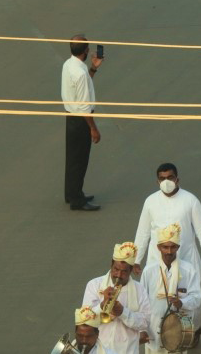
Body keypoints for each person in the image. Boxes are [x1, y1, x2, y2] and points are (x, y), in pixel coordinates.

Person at [133, 163, 201, 339]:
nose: (166, 181)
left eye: (170, 177)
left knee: (188, 295)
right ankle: (160, 332)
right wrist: (136, 259)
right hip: (157, 259)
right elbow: (143, 231)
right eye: (162, 178)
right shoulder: (150, 201)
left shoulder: (190, 200)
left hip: (185, 256)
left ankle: (191, 330)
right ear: (157, 181)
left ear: (177, 179)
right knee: (156, 298)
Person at [142, 224, 201, 354]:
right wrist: (142, 329)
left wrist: (182, 303)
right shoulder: (149, 271)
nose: (169, 251)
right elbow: (142, 302)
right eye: (165, 247)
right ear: (159, 247)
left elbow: (197, 298)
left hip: (178, 330)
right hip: (153, 328)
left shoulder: (188, 270)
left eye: (173, 247)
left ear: (178, 247)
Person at [82, 242, 149, 354]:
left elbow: (145, 322)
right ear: (111, 265)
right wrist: (102, 305)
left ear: (131, 270)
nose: (118, 275)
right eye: (116, 269)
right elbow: (85, 320)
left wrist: (123, 312)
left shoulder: (140, 290)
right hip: (99, 350)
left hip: (127, 350)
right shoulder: (94, 285)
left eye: (124, 271)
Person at [61, 35, 103, 211]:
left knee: (72, 159)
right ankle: (77, 200)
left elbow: (81, 88)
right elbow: (85, 106)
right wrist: (93, 129)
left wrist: (93, 68)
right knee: (80, 161)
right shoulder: (80, 72)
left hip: (71, 117)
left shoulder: (69, 65)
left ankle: (70, 193)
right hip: (81, 121)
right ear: (85, 51)